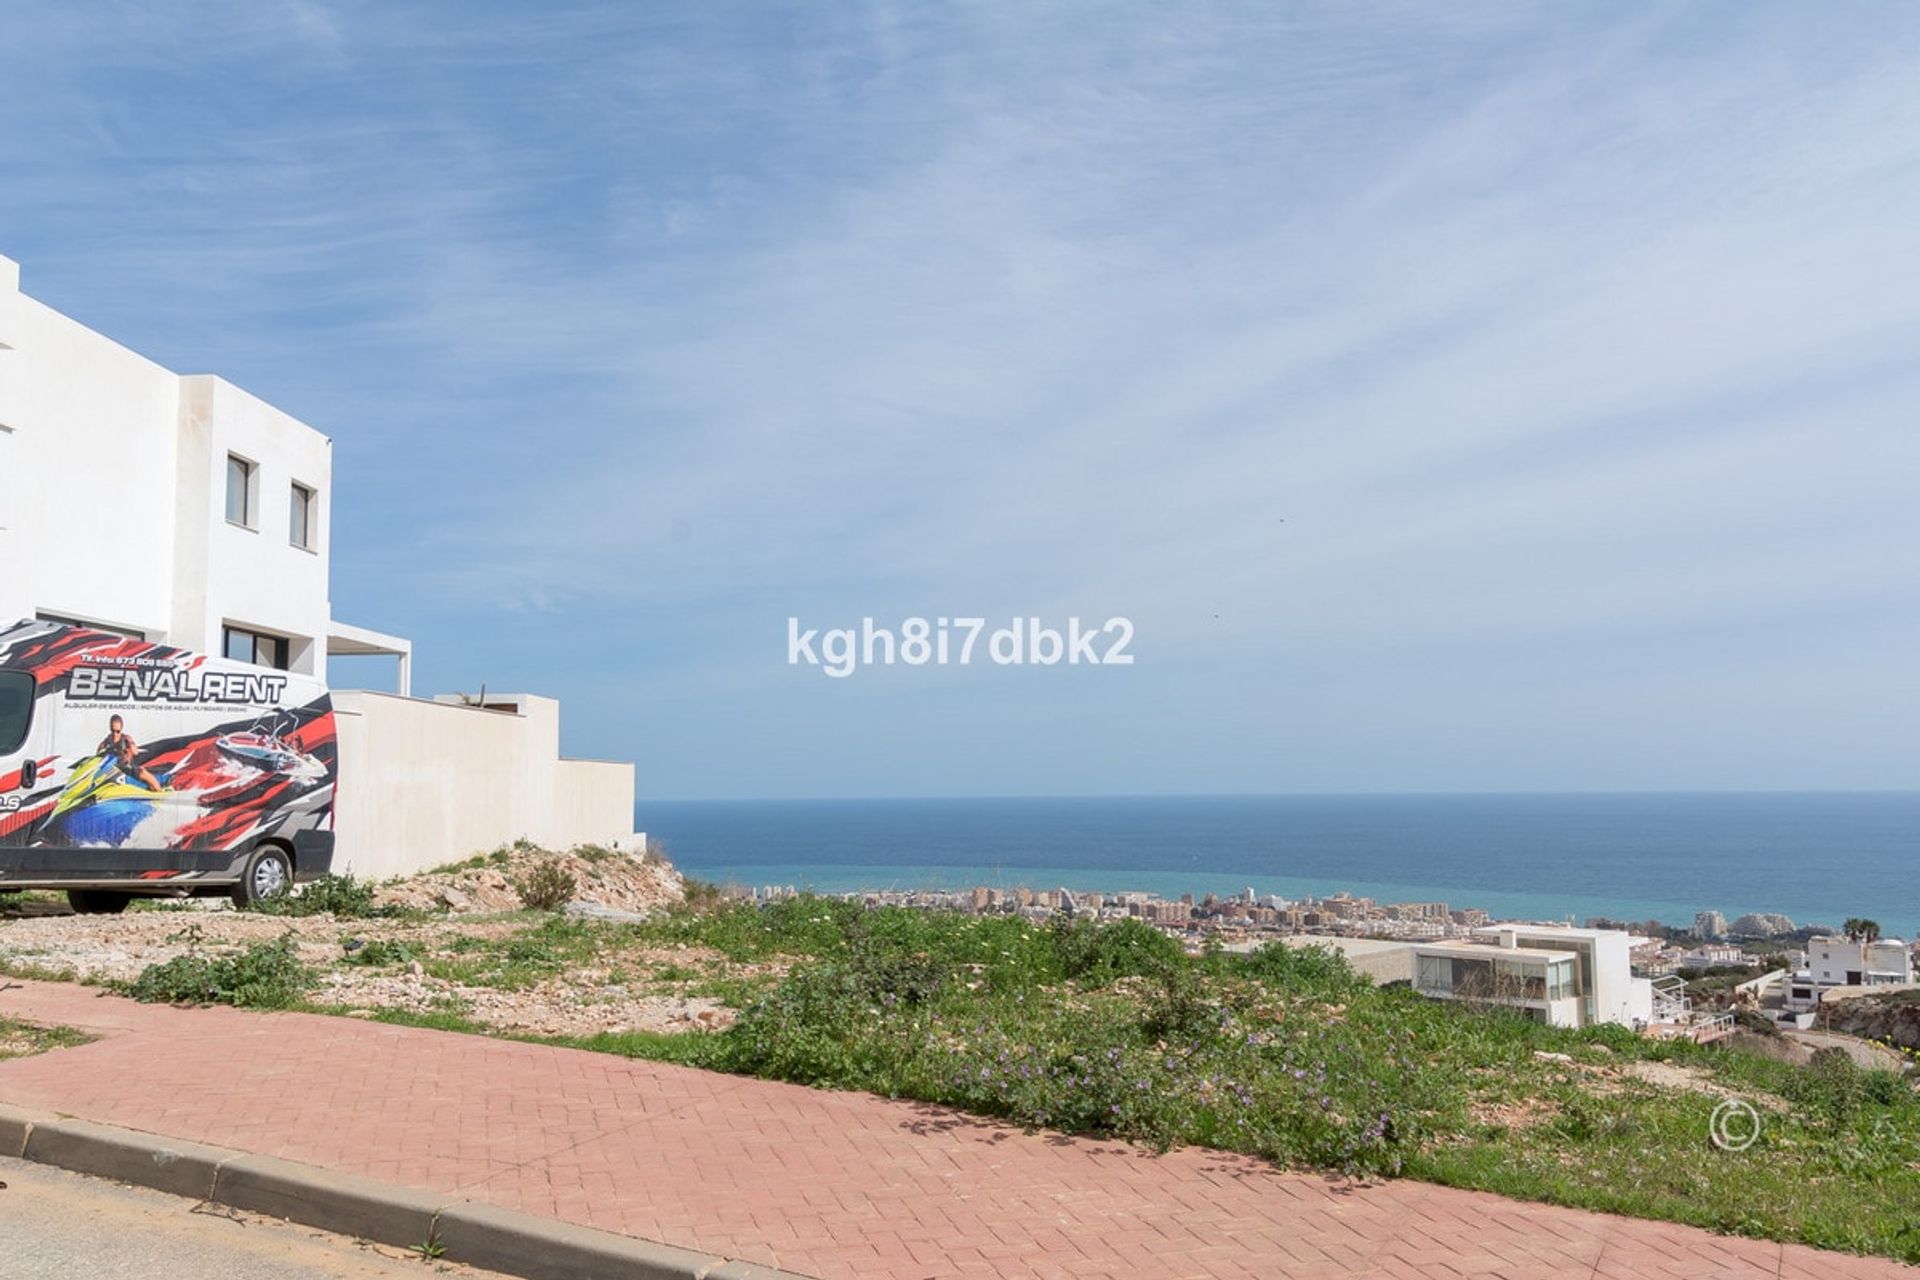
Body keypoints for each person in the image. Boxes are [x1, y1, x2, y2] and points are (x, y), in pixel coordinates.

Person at [97, 715, 163, 792]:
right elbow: (97, 757)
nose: (115, 735)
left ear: (121, 729)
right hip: (112, 770)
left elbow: (135, 752)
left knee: (142, 772)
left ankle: (158, 790)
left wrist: (130, 744)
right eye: (113, 731)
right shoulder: (105, 743)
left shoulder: (126, 738)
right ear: (110, 728)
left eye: (117, 731)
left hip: (127, 767)